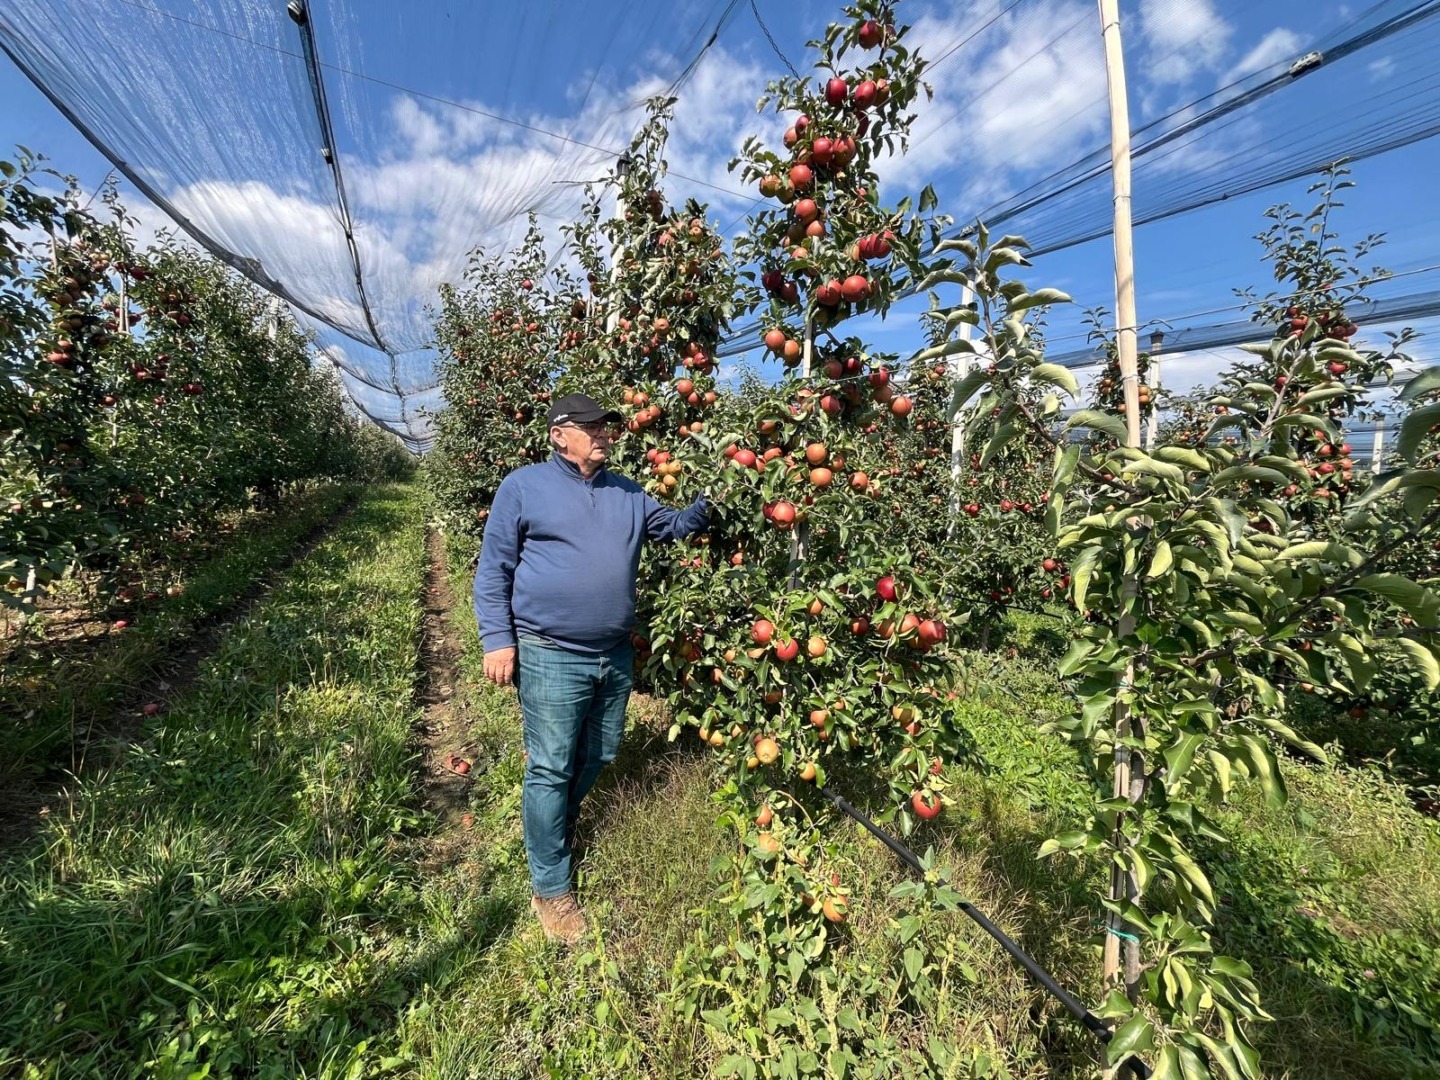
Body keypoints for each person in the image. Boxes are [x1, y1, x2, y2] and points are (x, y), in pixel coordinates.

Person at [472, 391, 709, 945]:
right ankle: (551, 888)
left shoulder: (628, 492)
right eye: (594, 426)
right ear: (560, 433)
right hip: (549, 650)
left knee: (599, 753)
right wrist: (496, 639)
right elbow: (494, 569)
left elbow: (671, 528)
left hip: (614, 652)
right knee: (551, 766)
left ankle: (551, 825)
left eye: (609, 428)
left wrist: (707, 505)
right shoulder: (523, 487)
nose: (606, 434)